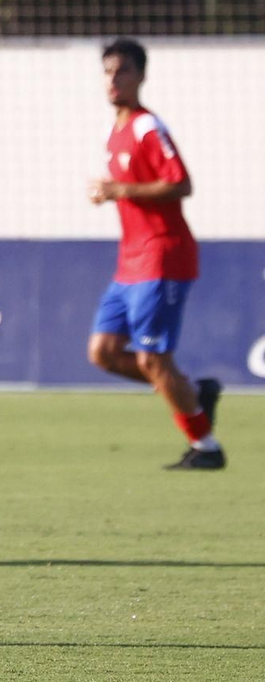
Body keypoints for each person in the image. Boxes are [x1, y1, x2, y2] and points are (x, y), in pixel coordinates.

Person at [86, 38, 224, 470]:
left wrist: (121, 190)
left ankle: (207, 447)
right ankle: (190, 392)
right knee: (104, 352)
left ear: (141, 76)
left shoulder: (148, 126)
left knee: (151, 358)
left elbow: (181, 183)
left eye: (123, 70)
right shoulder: (115, 132)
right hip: (129, 262)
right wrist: (110, 193)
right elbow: (127, 190)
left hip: (162, 255)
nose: (114, 79)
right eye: (108, 71)